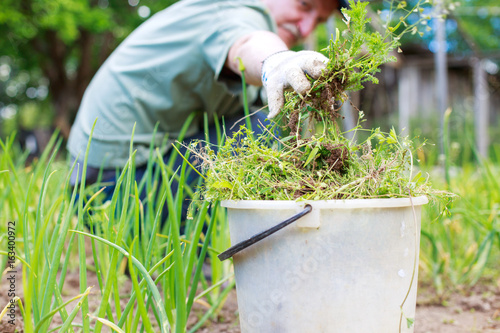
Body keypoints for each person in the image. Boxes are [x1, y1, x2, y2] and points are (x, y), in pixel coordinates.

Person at [67, 0, 346, 205]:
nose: (306, 27)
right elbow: (247, 43)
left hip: (123, 176)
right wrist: (276, 60)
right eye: (305, 5)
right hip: (109, 188)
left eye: (319, 21)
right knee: (267, 128)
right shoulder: (232, 9)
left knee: (263, 116)